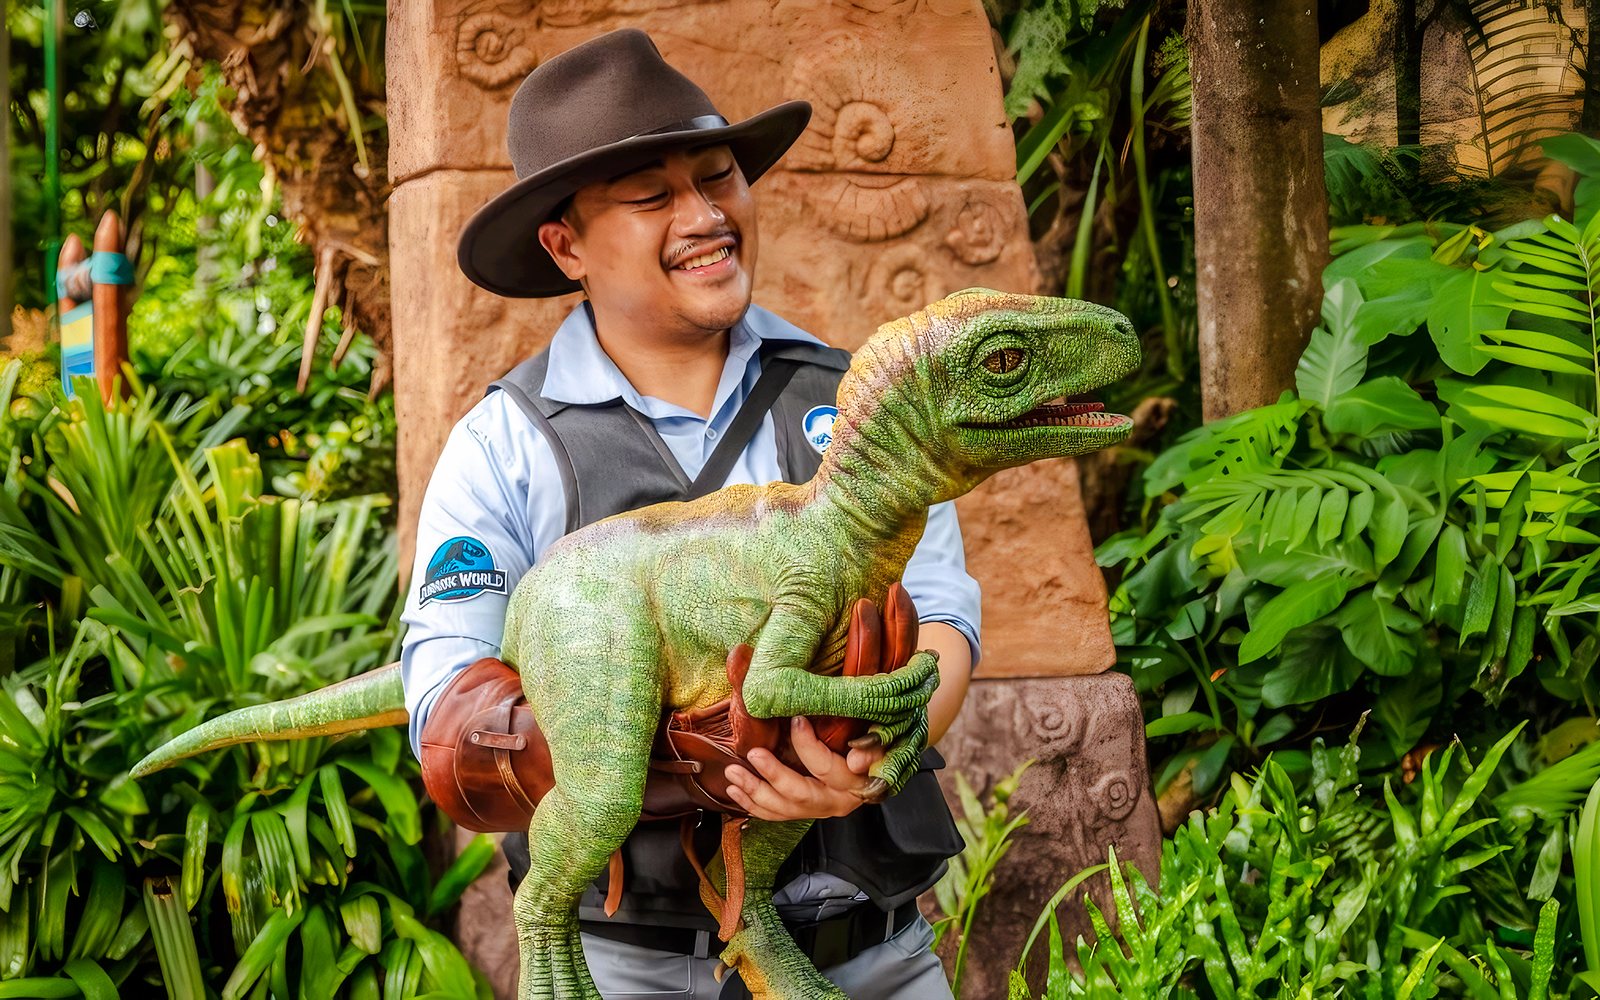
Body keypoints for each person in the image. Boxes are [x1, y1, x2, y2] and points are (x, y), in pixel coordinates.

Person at [402, 28, 982, 1000]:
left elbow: (942, 624)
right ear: (565, 243)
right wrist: (646, 742)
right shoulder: (503, 445)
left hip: (872, 955)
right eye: (651, 197)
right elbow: (447, 693)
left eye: (717, 177)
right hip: (626, 966)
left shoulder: (859, 400)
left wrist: (872, 753)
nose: (706, 214)